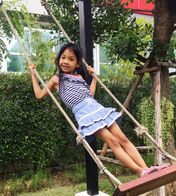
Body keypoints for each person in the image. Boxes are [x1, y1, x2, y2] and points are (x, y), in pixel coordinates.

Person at [28, 43, 164, 177]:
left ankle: (147, 170)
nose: (66, 61)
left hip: (97, 108)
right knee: (113, 141)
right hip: (85, 115)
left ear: (77, 64)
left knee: (123, 138)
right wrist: (33, 74)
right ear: (58, 60)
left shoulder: (80, 77)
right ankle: (139, 171)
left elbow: (89, 95)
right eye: (63, 57)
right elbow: (39, 94)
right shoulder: (57, 79)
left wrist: (93, 78)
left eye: (71, 59)